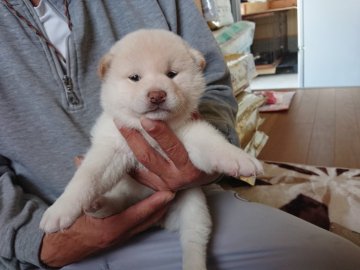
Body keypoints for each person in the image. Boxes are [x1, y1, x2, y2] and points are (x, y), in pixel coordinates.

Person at [0, 0, 359, 269]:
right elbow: (95, 172)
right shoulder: (114, 124)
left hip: (175, 203)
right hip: (44, 244)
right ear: (108, 76)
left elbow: (206, 124)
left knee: (332, 259)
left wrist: (219, 159)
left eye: (171, 75)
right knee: (97, 174)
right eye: (136, 79)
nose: (156, 91)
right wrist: (39, 240)